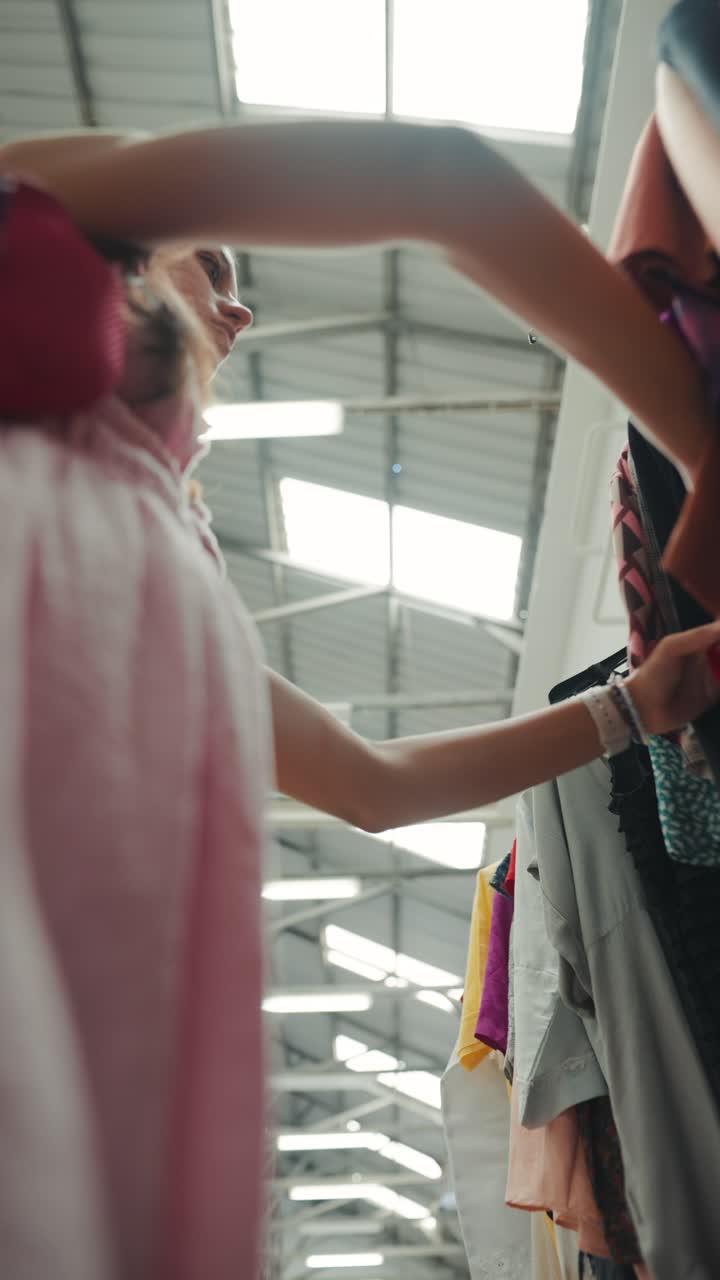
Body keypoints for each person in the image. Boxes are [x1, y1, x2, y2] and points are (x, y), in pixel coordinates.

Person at [2, 127, 720, 1280]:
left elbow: (371, 786)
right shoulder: (41, 225)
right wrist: (695, 435)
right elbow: (441, 180)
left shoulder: (178, 581)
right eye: (217, 272)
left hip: (110, 953)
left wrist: (635, 706)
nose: (239, 316)